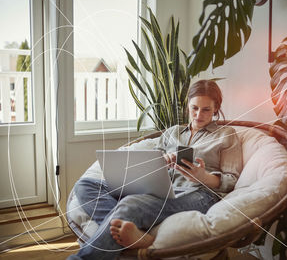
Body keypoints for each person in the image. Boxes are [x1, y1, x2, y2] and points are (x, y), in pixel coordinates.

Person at [68, 80, 243, 260]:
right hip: (161, 189)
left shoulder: (226, 135)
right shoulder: (173, 132)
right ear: (188, 105)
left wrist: (203, 176)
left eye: (206, 109)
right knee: (85, 185)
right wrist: (161, 161)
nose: (198, 115)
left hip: (199, 194)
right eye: (194, 108)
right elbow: (150, 163)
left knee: (131, 204)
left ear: (216, 108)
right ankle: (136, 231)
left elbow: (231, 179)